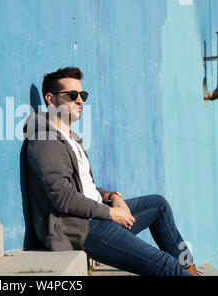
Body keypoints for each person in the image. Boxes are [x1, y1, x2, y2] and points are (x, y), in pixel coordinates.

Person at [23, 66, 199, 276]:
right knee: (164, 264)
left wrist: (112, 196)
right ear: (51, 100)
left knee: (158, 205)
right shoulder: (45, 141)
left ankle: (190, 269)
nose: (80, 100)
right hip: (82, 229)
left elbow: (83, 186)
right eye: (72, 95)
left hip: (97, 216)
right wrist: (110, 213)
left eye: (82, 95)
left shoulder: (72, 139)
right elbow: (63, 197)